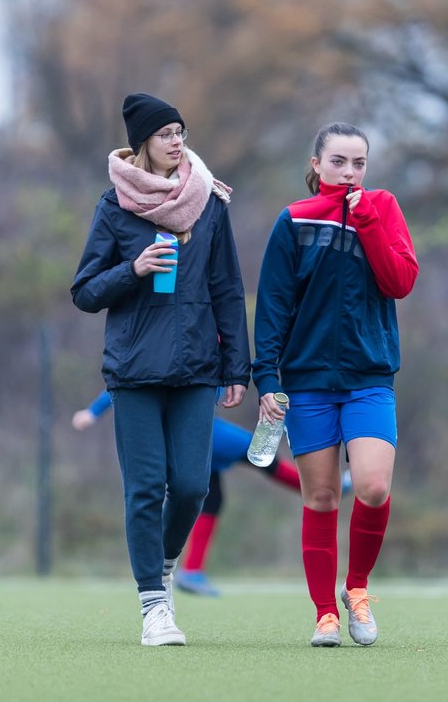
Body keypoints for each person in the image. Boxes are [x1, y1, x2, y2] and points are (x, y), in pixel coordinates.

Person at [71, 92, 250, 646]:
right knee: (146, 489)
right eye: (168, 134)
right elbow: (84, 291)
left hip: (198, 368)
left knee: (193, 487)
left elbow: (227, 288)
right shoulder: (114, 207)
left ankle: (165, 563)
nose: (178, 142)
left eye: (182, 132)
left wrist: (235, 370)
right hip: (134, 373)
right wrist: (134, 268)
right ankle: (154, 605)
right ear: (143, 142)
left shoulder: (209, 202)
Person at [252, 122, 419, 647]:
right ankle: (325, 613)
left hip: (370, 377)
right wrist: (266, 378)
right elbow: (274, 305)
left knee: (372, 486)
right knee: (321, 497)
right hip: (307, 382)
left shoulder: (383, 208)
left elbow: (400, 282)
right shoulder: (293, 221)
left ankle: (357, 589)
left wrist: (366, 219)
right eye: (340, 162)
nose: (350, 172)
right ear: (317, 164)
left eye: (359, 163)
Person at [72, 389, 345, 597]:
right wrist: (92, 412)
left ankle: (191, 571)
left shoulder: (213, 332)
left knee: (211, 499)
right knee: (261, 454)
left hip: (200, 427)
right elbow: (123, 383)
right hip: (195, 433)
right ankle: (328, 488)